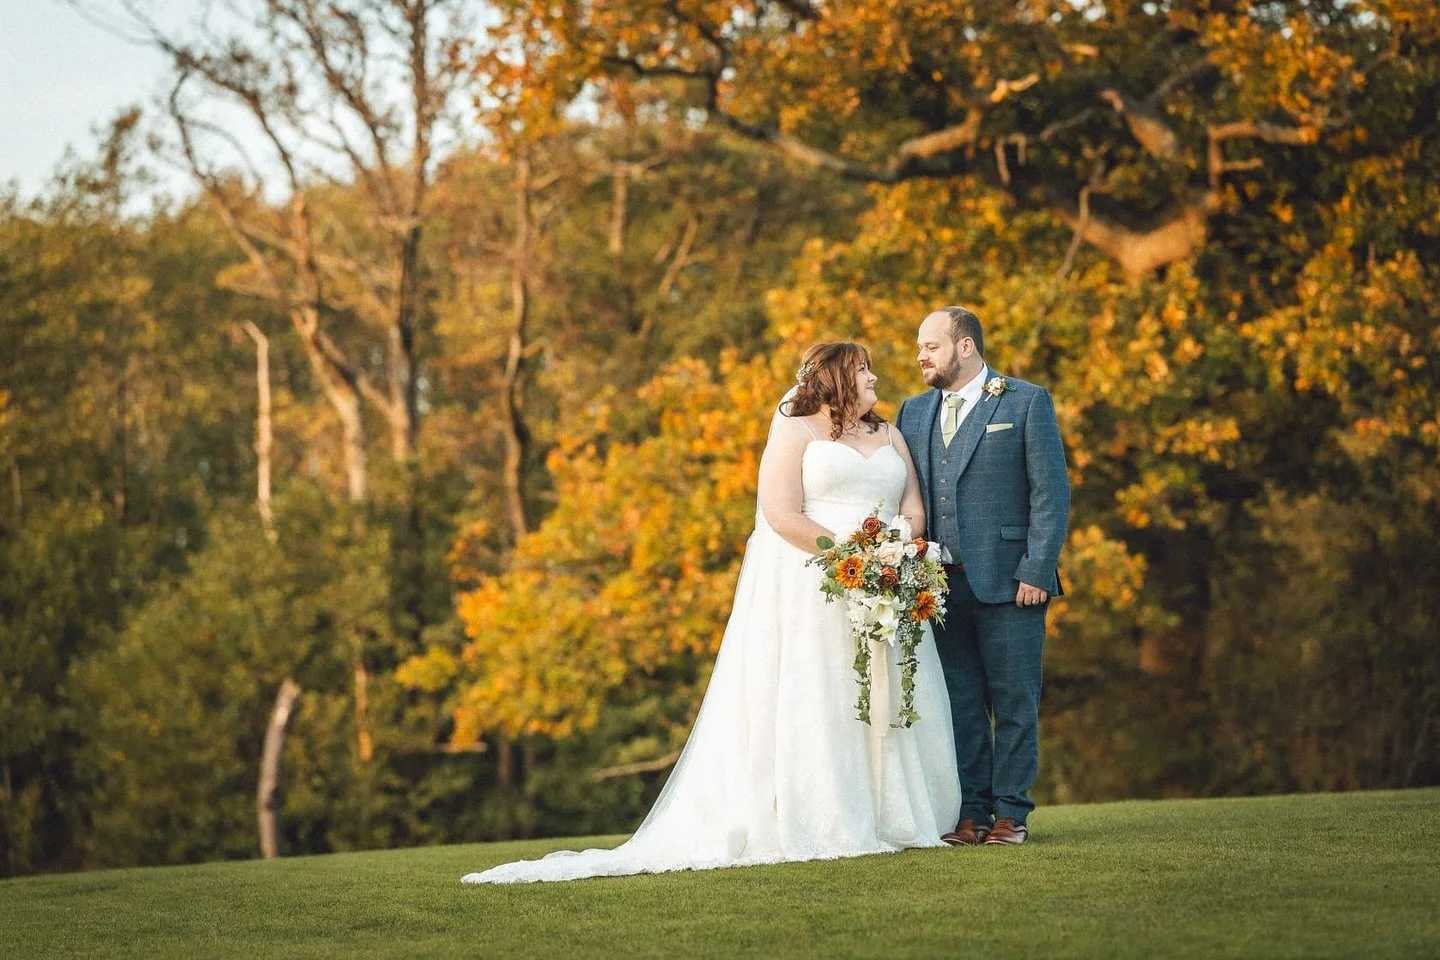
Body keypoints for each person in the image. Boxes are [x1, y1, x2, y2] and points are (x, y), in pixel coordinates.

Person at [463, 342, 961, 884]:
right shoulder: (797, 429)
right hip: (817, 585)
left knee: (886, 693)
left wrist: (892, 548)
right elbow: (780, 514)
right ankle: (827, 815)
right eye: (863, 369)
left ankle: (896, 816)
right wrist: (851, 555)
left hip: (886, 581)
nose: (874, 377)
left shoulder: (890, 435)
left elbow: (913, 509)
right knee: (823, 693)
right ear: (838, 377)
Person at [896, 306, 1070, 847]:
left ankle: (1011, 814)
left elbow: (1051, 492)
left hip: (1012, 581)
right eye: (920, 347)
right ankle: (971, 812)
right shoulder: (913, 411)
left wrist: (1037, 568)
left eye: (931, 346)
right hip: (940, 587)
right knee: (960, 704)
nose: (920, 356)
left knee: (1014, 701)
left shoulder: (1025, 400)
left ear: (965, 347)